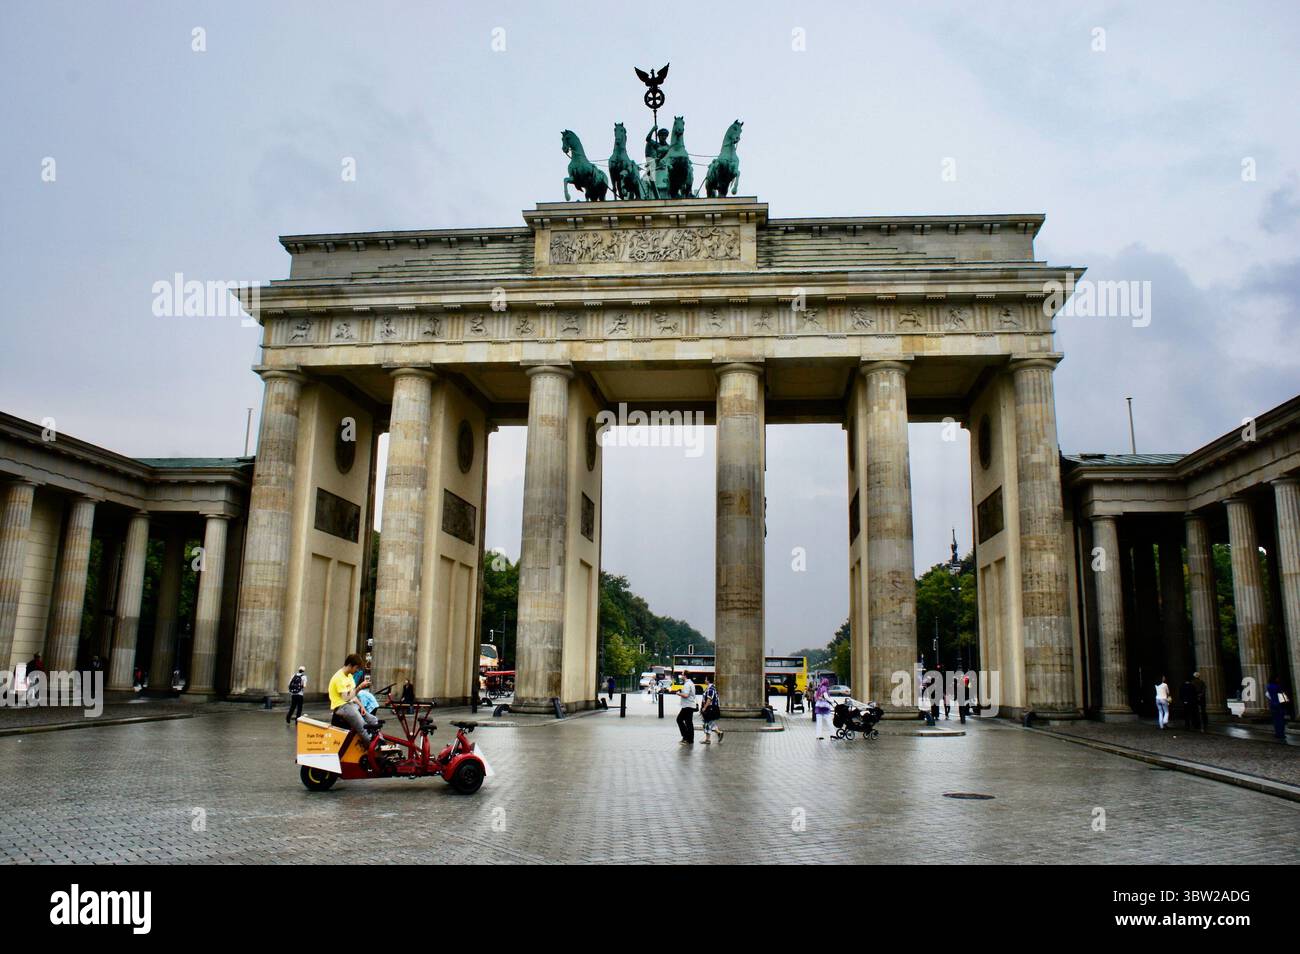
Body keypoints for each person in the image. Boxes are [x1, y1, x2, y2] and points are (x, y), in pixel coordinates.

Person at [329, 653, 379, 744]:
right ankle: (373, 749)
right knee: (363, 727)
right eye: (356, 668)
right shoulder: (339, 678)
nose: (357, 671)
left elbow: (353, 695)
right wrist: (359, 687)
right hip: (342, 707)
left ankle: (381, 743)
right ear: (350, 665)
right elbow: (346, 698)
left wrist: (361, 706)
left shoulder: (349, 676)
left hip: (351, 705)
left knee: (373, 720)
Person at [700, 677, 723, 744]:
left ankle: (709, 739)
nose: (704, 680)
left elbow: (709, 700)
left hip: (710, 708)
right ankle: (718, 733)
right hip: (710, 708)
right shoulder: (710, 688)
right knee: (709, 722)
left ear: (708, 680)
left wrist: (704, 708)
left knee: (707, 722)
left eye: (705, 679)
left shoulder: (711, 689)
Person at [676, 672, 697, 745]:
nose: (681, 676)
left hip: (687, 706)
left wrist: (678, 693)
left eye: (682, 674)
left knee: (680, 720)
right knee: (688, 722)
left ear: (685, 676)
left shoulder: (687, 684)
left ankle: (686, 738)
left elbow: (685, 695)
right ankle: (689, 739)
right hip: (689, 705)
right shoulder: (690, 683)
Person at [1265, 675, 1288, 741]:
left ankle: (1278, 733)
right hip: (1278, 704)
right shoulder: (1277, 686)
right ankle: (1281, 734)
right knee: (1281, 720)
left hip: (1272, 704)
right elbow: (1281, 694)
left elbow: (1268, 695)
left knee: (1276, 720)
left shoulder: (1269, 686)